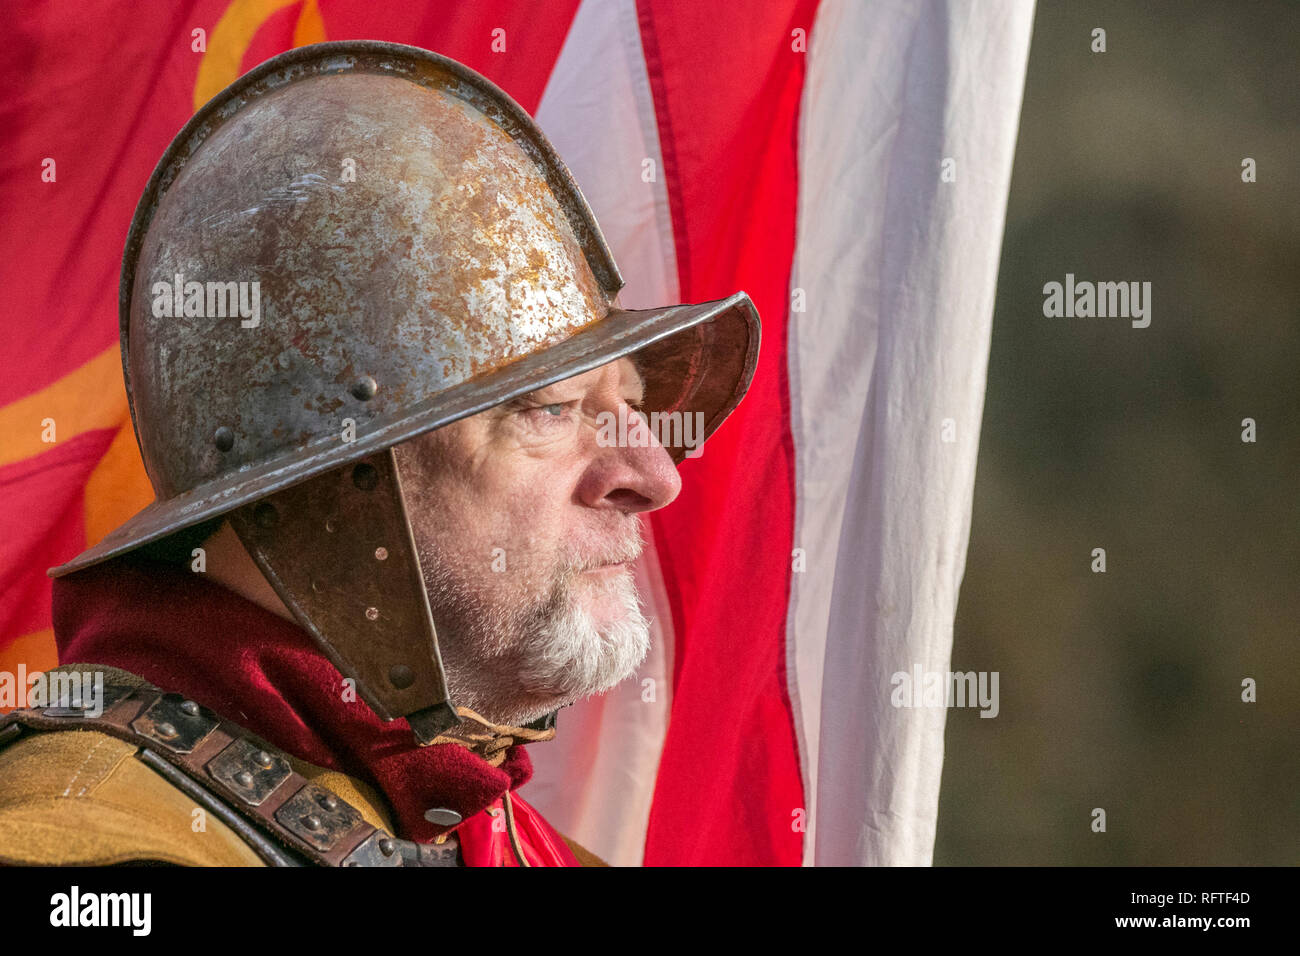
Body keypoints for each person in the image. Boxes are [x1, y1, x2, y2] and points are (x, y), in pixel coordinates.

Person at [0, 40, 758, 867]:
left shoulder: (520, 847)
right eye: (551, 409)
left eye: (632, 409)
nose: (654, 477)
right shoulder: (87, 847)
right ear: (331, 483)